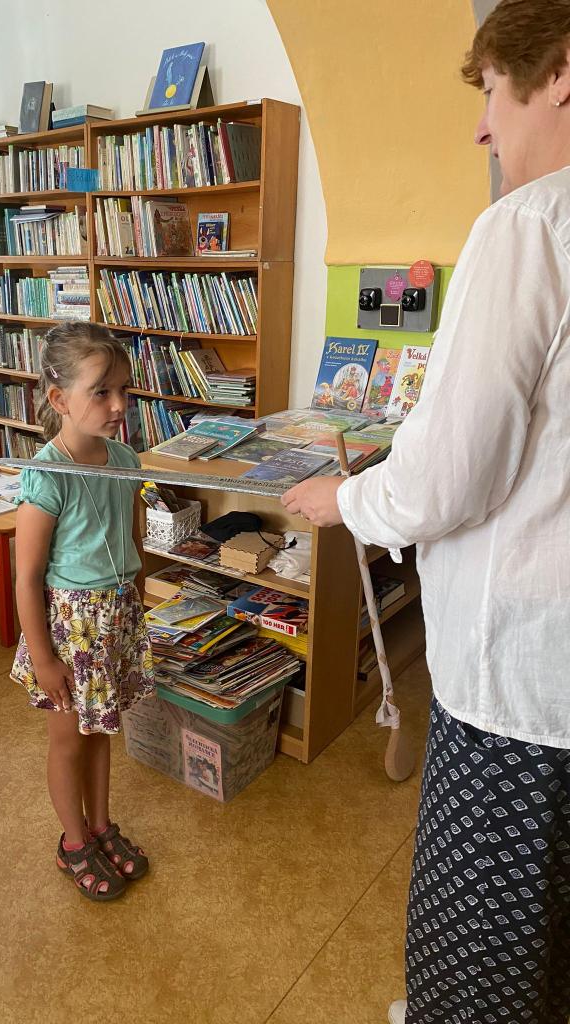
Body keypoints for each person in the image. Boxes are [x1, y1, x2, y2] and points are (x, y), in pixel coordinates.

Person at [282, 2, 570, 1021]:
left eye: (491, 90)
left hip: (522, 689)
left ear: (560, 72)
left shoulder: (528, 227)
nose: (482, 126)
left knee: (481, 955)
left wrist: (345, 499)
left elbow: (445, 475)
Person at [10, 322, 155, 902]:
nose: (119, 405)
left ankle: (100, 827)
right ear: (59, 398)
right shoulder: (47, 473)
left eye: (124, 390)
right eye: (101, 391)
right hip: (71, 631)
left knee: (101, 733)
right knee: (69, 740)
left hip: (114, 620)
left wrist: (137, 600)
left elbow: (132, 539)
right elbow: (26, 577)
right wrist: (44, 658)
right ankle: (73, 843)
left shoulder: (125, 459)